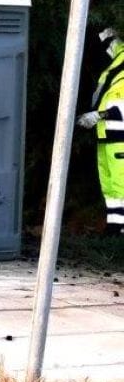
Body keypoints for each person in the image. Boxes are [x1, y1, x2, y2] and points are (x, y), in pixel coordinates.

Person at [77, 28, 124, 234]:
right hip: (106, 135)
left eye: (107, 42)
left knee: (121, 183)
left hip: (119, 136)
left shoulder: (120, 64)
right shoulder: (115, 65)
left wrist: (99, 115)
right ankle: (115, 227)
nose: (106, 48)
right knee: (110, 185)